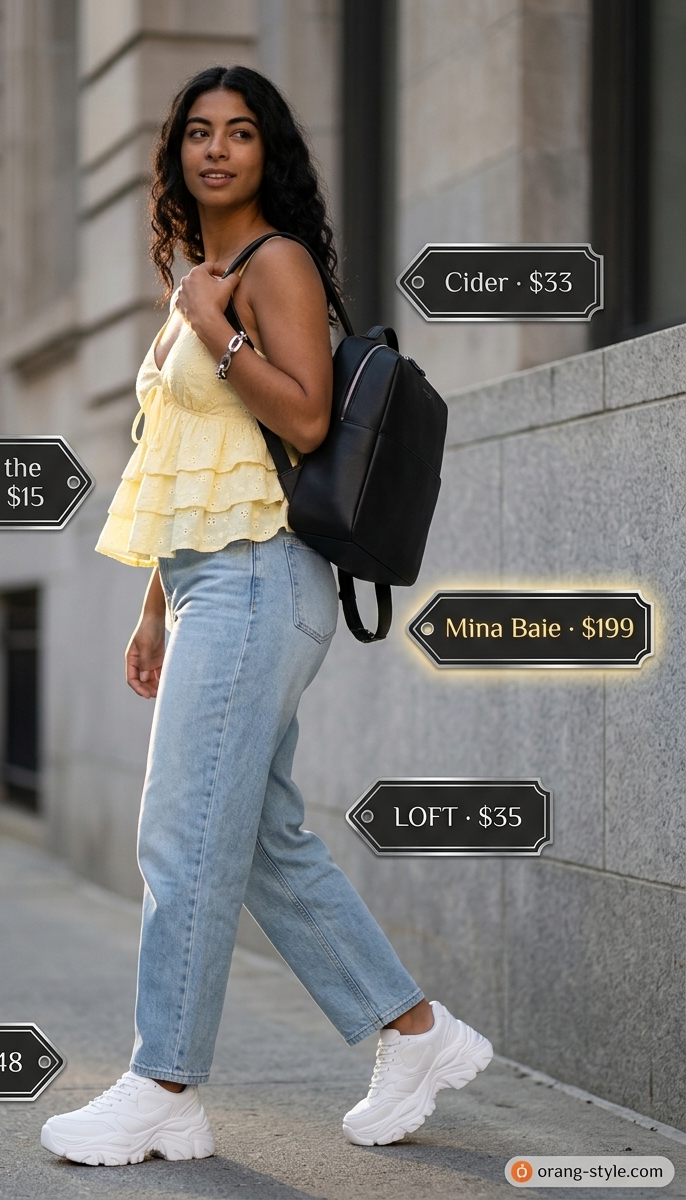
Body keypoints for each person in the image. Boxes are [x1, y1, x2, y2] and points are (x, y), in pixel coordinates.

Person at [40, 64, 492, 1168]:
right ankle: (414, 1032)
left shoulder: (270, 264)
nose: (216, 150)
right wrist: (153, 604)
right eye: (197, 132)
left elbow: (297, 417)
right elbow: (180, 458)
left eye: (241, 133)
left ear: (266, 154)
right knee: (256, 843)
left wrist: (218, 327)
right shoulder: (194, 278)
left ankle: (164, 1084)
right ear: (176, 156)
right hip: (206, 580)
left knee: (180, 835)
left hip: (257, 576)